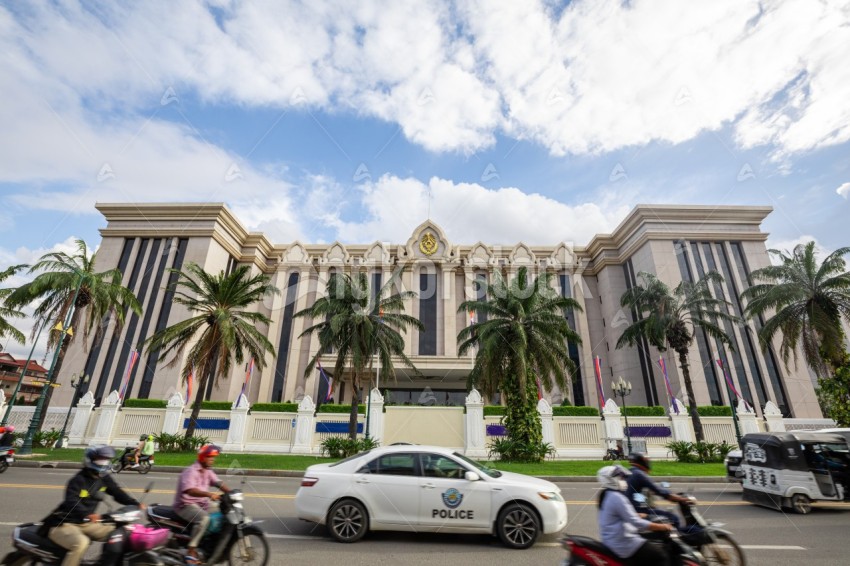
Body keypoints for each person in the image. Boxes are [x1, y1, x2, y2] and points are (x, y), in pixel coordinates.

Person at [40, 445, 142, 566]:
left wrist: (135, 503)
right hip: (65, 523)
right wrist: (87, 514)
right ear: (91, 459)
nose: (104, 461)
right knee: (81, 543)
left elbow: (117, 492)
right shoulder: (79, 480)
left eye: (106, 459)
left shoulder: (104, 478)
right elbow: (71, 502)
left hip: (86, 523)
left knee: (121, 532)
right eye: (100, 458)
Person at [597, 465, 672, 566]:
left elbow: (618, 515)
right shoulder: (617, 497)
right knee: (660, 556)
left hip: (612, 540)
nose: (622, 480)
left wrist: (639, 515)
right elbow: (636, 522)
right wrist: (662, 526)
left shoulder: (606, 494)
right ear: (610, 480)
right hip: (623, 543)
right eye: (619, 478)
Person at [174, 444, 231, 564]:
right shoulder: (191, 471)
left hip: (201, 503)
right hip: (185, 505)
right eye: (210, 457)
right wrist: (209, 495)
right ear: (202, 457)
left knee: (221, 511)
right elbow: (190, 491)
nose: (212, 460)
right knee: (204, 518)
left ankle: (210, 541)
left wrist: (231, 493)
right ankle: (191, 550)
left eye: (213, 457)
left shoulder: (207, 470)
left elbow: (217, 482)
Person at [626, 452, 691, 531]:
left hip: (629, 510)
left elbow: (651, 488)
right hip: (638, 510)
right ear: (642, 462)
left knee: (656, 510)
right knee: (673, 518)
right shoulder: (639, 474)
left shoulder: (629, 472)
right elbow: (660, 491)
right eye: (647, 461)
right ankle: (675, 541)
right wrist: (681, 499)